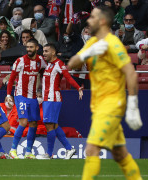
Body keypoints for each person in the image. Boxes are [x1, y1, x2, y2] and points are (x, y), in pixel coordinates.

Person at [68, 6, 143, 180]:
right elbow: (71, 63)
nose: (89, 21)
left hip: (111, 104)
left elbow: (130, 73)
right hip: (99, 105)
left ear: (102, 21)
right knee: (120, 155)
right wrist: (90, 52)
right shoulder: (94, 43)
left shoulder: (113, 43)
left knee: (91, 149)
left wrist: (132, 106)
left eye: (93, 17)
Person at [39, 43, 83, 159]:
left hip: (53, 99)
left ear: (53, 52)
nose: (44, 53)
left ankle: (49, 153)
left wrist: (78, 88)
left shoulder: (59, 64)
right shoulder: (49, 65)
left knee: (49, 125)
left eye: (46, 51)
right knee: (54, 125)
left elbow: (67, 77)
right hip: (47, 99)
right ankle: (69, 149)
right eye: (43, 51)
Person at [7, 38, 47, 159]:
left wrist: (40, 90)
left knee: (33, 123)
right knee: (23, 122)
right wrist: (9, 94)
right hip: (20, 95)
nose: (28, 49)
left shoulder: (40, 60)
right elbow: (11, 78)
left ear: (36, 48)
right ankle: (13, 150)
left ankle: (28, 152)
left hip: (33, 97)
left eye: (31, 47)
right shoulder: (20, 61)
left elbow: (44, 73)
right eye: (27, 47)